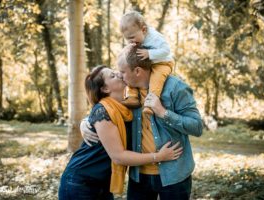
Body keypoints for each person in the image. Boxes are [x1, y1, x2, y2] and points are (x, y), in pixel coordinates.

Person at [81, 46, 203, 200]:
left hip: (174, 174)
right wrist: (85, 121)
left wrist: (163, 112)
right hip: (139, 177)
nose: (119, 75)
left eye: (123, 72)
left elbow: (197, 127)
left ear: (137, 71)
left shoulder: (175, 88)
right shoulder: (128, 95)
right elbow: (106, 111)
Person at [58, 65, 183, 200]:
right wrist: (159, 156)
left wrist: (85, 120)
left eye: (115, 71)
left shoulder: (126, 109)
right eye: (112, 76)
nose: (118, 74)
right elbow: (118, 156)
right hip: (80, 182)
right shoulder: (103, 111)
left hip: (103, 184)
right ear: (105, 89)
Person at [120, 11, 174, 115]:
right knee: (131, 72)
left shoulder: (155, 38)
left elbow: (166, 50)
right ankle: (132, 96)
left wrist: (149, 53)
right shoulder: (138, 37)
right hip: (149, 63)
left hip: (162, 62)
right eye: (127, 39)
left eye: (132, 38)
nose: (130, 41)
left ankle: (151, 105)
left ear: (144, 30)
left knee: (155, 80)